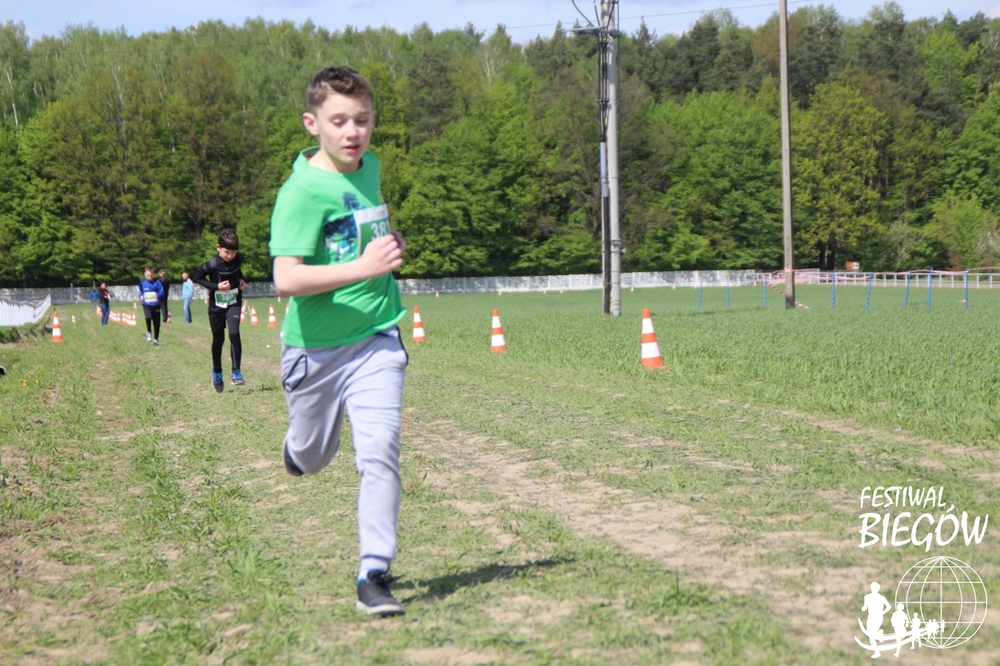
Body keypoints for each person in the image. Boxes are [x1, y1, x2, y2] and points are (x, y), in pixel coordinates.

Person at [270, 66, 408, 617]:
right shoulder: (300, 193)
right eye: (339, 121)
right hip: (315, 353)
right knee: (312, 455)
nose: (353, 132)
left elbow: (361, 234)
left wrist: (387, 246)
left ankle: (373, 572)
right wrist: (362, 266)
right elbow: (285, 279)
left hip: (376, 336)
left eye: (363, 120)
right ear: (313, 124)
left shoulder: (371, 166)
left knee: (380, 449)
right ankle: (297, 450)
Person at [192, 229, 247, 391]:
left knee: (234, 333)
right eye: (226, 252)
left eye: (233, 252)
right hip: (216, 306)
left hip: (234, 301)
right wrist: (216, 286)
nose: (230, 255)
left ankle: (236, 372)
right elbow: (197, 278)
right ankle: (217, 372)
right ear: (218, 247)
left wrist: (242, 280)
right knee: (218, 339)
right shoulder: (213, 264)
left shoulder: (238, 258)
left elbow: (238, 272)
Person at [138, 267, 165, 345]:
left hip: (156, 305)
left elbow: (162, 292)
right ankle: (149, 332)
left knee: (156, 323)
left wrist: (157, 295)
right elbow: (140, 291)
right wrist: (141, 296)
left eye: (151, 276)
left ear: (153, 274)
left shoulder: (157, 282)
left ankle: (156, 339)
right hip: (146, 304)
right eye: (147, 276)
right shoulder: (142, 282)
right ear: (145, 274)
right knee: (148, 317)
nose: (149, 277)